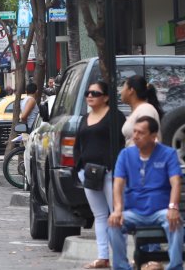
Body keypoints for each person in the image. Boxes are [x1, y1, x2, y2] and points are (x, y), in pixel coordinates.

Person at [107, 116, 182, 270]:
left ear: (153, 136)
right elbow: (118, 183)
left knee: (174, 222)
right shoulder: (126, 155)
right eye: (134, 131)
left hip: (161, 211)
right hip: (134, 212)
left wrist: (173, 207)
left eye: (140, 133)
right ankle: (121, 267)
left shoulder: (168, 154)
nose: (135, 136)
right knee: (113, 224)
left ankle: (175, 267)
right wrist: (118, 209)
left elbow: (175, 182)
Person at [75, 81, 121, 269]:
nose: (90, 96)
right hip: (89, 173)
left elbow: (121, 143)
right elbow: (78, 145)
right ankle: (103, 256)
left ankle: (120, 256)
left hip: (111, 173)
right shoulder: (85, 118)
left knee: (116, 214)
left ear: (106, 97)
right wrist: (79, 170)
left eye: (95, 93)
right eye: (88, 92)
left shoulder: (115, 117)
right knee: (100, 215)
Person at [121, 75, 162, 147]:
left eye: (123, 87)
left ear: (131, 90)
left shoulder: (145, 110)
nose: (120, 92)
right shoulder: (139, 110)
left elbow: (150, 141)